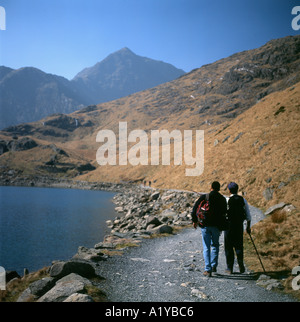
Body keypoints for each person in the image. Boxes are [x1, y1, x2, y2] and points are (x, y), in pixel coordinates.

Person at [192, 181, 227, 277]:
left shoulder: (205, 197)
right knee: (215, 245)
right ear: (219, 188)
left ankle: (208, 269)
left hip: (205, 225)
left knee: (206, 247)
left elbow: (195, 208)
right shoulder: (222, 199)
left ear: (211, 187)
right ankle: (214, 265)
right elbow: (224, 213)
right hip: (216, 226)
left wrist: (195, 221)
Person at [225, 182, 251, 274]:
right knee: (239, 246)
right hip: (239, 226)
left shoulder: (227, 200)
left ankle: (229, 267)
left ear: (229, 190)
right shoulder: (243, 200)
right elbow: (248, 215)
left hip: (228, 226)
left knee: (229, 247)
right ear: (237, 189)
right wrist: (248, 227)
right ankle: (240, 264)